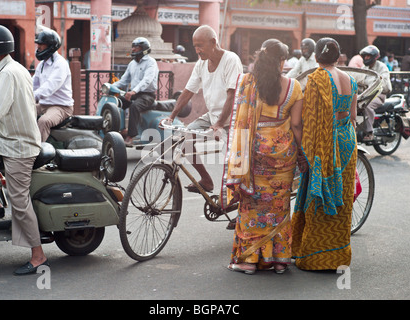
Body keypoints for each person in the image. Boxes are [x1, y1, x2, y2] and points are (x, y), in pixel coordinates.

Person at [221, 39, 304, 275]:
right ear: (282, 61)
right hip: (283, 155)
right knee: (279, 205)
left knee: (252, 205)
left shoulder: (249, 84)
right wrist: (302, 155)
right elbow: (296, 125)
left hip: (252, 153)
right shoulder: (294, 86)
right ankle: (278, 261)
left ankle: (248, 260)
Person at [0, 24, 48, 275]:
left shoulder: (8, 73)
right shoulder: (7, 69)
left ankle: (38, 255)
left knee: (18, 199)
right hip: (1, 138)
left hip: (19, 145)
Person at [291, 37, 358, 270]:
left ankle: (313, 256)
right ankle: (338, 257)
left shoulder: (317, 79)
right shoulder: (351, 79)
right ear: (338, 56)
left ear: (316, 57)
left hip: (322, 145)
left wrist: (303, 151)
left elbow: (306, 121)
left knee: (317, 197)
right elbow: (352, 117)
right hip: (347, 143)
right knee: (342, 200)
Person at [165, 25, 243, 194]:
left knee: (233, 166)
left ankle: (236, 203)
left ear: (213, 42)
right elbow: (188, 92)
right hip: (213, 116)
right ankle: (206, 180)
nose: (197, 50)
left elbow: (232, 95)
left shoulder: (231, 60)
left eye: (200, 45)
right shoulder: (201, 64)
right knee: (185, 139)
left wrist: (220, 124)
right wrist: (171, 116)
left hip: (233, 119)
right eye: (195, 46)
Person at [113, 37, 159, 146]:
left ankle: (130, 137)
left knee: (134, 107)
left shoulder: (151, 62)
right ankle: (122, 129)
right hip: (133, 93)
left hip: (147, 95)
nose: (133, 49)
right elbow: (124, 80)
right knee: (118, 103)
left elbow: (147, 80)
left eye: (136, 47)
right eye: (133, 47)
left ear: (144, 49)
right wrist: (110, 86)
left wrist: (133, 91)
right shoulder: (132, 64)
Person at [33, 28, 74, 142]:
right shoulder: (42, 64)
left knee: (43, 121)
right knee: (20, 113)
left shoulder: (60, 64)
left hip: (61, 107)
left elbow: (49, 87)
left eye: (42, 44)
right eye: (38, 44)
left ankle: (37, 154)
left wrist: (32, 96)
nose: (39, 47)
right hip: (43, 105)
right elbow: (33, 84)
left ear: (51, 46)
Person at [359, 45, 392, 141]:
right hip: (365, 95)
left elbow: (385, 86)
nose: (366, 58)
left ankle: (370, 132)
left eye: (368, 56)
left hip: (378, 95)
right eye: (365, 56)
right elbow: (358, 79)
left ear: (374, 57)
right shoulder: (364, 67)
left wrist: (370, 83)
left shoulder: (382, 67)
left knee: (367, 105)